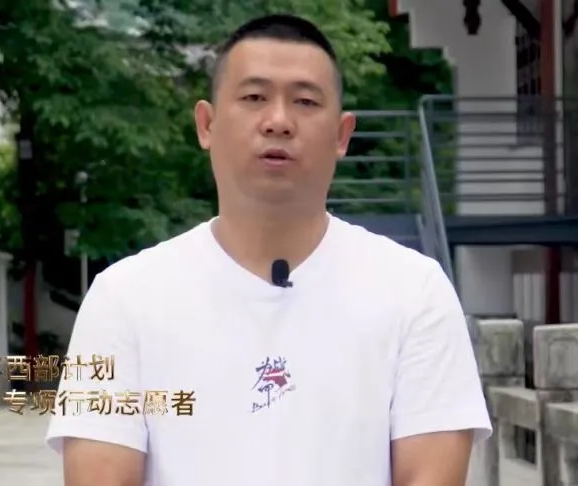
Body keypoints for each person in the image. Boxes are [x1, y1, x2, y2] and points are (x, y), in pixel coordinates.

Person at [45, 13, 491, 486]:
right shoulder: (123, 298)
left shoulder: (415, 292)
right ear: (206, 124)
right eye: (254, 97)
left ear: (342, 135)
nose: (278, 121)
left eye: (305, 101)